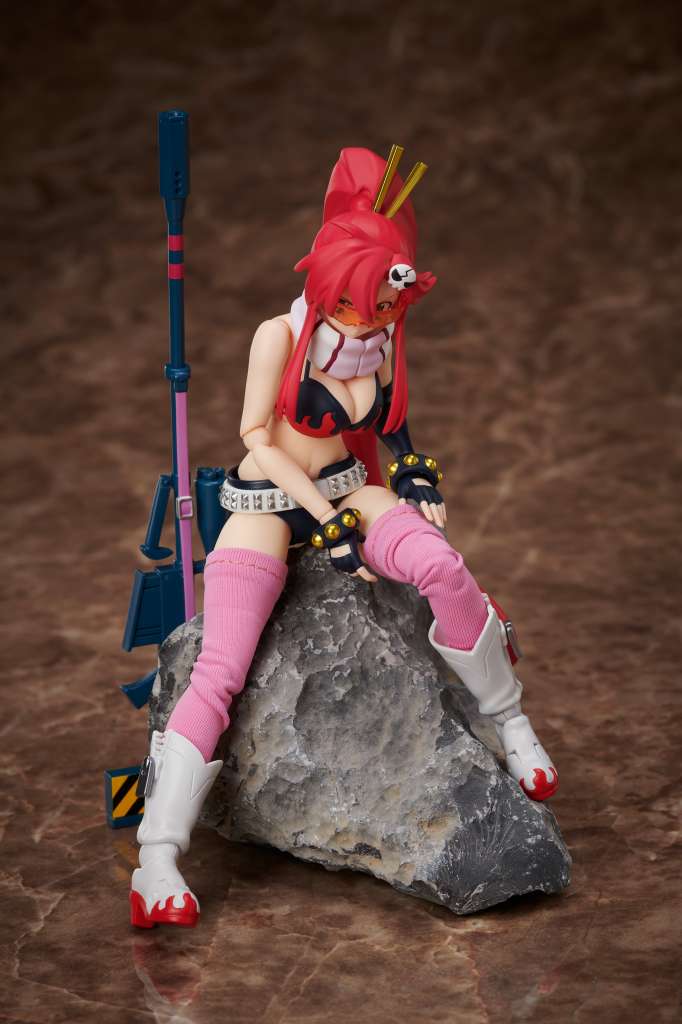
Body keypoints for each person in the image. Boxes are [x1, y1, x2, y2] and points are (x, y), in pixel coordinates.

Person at [129, 146, 558, 929]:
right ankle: (156, 859)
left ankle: (513, 723)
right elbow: (256, 438)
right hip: (267, 502)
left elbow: (392, 426)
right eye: (361, 307)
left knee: (442, 566)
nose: (373, 321)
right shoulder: (280, 335)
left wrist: (415, 479)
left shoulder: (382, 338)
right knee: (220, 668)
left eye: (388, 308)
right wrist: (325, 523)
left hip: (347, 487)